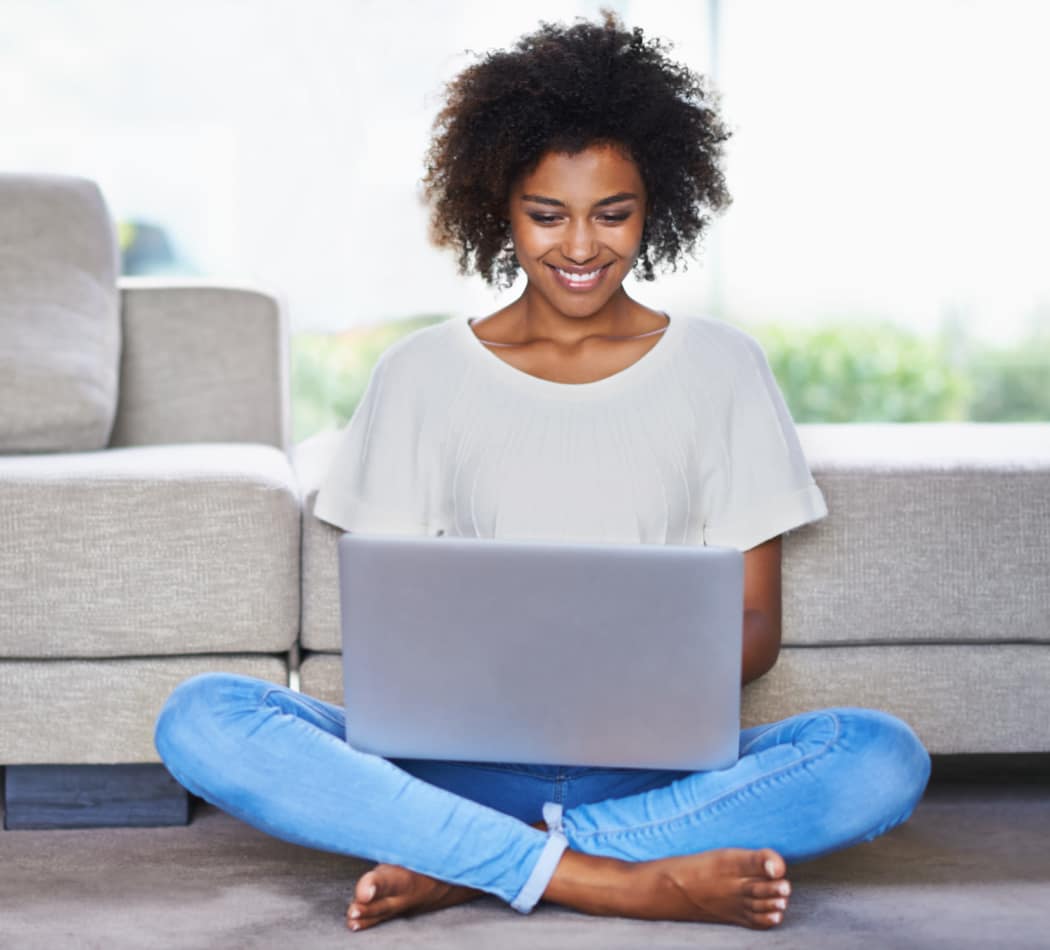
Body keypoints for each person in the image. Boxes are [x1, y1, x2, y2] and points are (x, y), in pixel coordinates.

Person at [154, 12, 931, 934]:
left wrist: (631, 682)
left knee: (880, 758)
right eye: (546, 214)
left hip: (656, 759)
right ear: (499, 209)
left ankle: (471, 857)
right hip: (458, 758)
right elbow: (392, 632)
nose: (580, 248)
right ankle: (612, 874)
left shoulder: (723, 368)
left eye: (613, 213)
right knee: (202, 716)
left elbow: (756, 626)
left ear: (657, 206)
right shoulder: (421, 373)